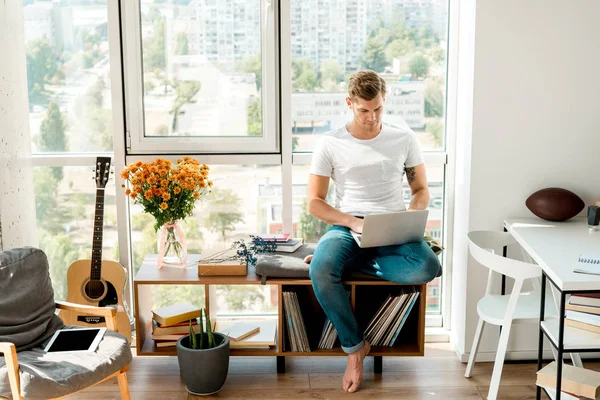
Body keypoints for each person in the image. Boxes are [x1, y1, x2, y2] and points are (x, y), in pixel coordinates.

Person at [304, 70, 441, 393]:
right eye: (364, 110)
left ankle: (351, 263)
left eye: (377, 109)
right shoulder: (331, 143)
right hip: (348, 226)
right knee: (321, 270)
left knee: (428, 266)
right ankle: (355, 350)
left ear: (385, 101)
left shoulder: (403, 138)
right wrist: (353, 222)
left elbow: (421, 189)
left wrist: (409, 217)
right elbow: (314, 203)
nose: (371, 117)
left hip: (392, 225)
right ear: (350, 103)